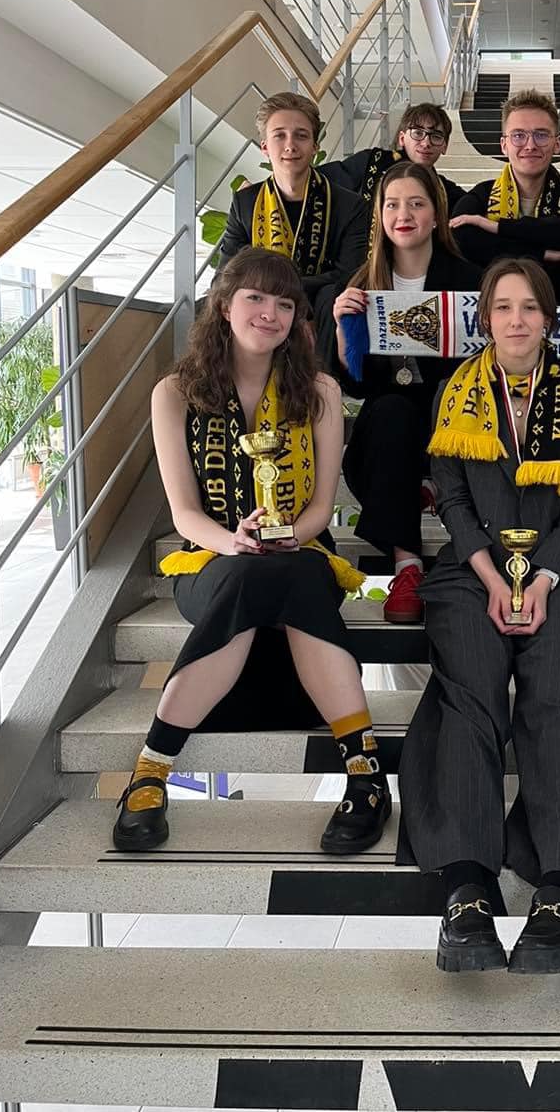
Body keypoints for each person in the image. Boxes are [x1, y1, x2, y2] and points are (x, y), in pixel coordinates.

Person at [112, 248, 390, 857]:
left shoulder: (319, 390)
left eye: (285, 304)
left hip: (302, 549)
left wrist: (295, 535)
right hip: (209, 559)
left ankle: (151, 769)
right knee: (245, 577)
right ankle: (365, 770)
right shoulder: (175, 393)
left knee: (294, 571)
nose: (270, 313)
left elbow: (321, 506)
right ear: (224, 305)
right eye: (256, 298)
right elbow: (185, 514)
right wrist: (233, 542)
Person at [397, 257, 560, 975]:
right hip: (472, 568)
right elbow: (452, 499)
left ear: (548, 319)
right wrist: (492, 577)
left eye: (529, 307)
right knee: (468, 688)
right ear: (484, 318)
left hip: (559, 566)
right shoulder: (454, 393)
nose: (516, 320)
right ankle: (466, 887)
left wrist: (543, 578)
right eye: (502, 307)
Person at [333, 161, 480, 626]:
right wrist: (342, 329)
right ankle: (408, 566)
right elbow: (356, 383)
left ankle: (430, 482)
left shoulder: (472, 281)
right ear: (379, 216)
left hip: (452, 425)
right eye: (392, 205)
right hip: (387, 436)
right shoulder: (362, 284)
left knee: (437, 396)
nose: (404, 215)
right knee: (392, 410)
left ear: (436, 215)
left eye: (416, 204)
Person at [218, 93, 369, 368]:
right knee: (212, 303)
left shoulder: (350, 205)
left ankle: (322, 383)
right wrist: (275, 297)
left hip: (319, 306)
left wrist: (294, 304)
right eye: (280, 135)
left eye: (301, 136)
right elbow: (226, 272)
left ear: (314, 146)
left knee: (334, 296)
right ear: (265, 147)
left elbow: (349, 274)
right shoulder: (246, 203)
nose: (290, 145)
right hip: (260, 302)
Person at [449, 89, 560, 306]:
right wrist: (544, 254)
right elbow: (460, 237)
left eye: (541, 135)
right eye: (518, 135)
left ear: (557, 144)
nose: (530, 145)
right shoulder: (483, 194)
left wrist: (499, 228)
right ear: (504, 145)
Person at [323, 102, 466, 219]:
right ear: (402, 138)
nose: (426, 143)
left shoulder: (444, 191)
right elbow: (321, 181)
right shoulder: (372, 162)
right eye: (418, 133)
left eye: (436, 136)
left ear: (445, 146)